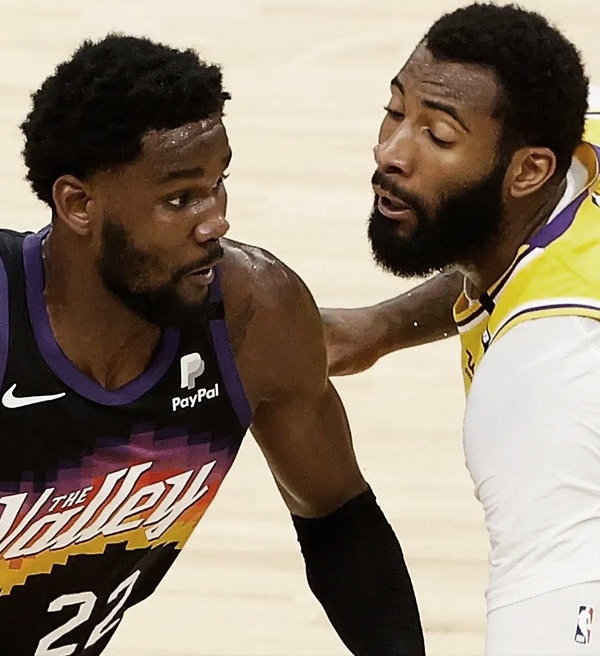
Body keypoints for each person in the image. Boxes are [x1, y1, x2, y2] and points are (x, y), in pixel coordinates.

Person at [1, 35, 424, 656]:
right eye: (179, 199)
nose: (216, 220)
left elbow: (340, 523)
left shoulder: (254, 313)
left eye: (218, 183)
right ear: (78, 204)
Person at [321, 4, 600, 655]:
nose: (390, 153)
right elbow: (510, 249)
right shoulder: (575, 142)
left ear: (530, 171)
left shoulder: (542, 387)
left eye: (438, 138)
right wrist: (383, 327)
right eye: (395, 111)